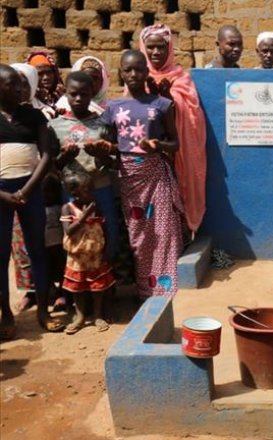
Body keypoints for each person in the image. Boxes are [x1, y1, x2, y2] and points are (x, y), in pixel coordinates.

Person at [101, 50, 183, 298]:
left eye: (139, 69)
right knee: (140, 235)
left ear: (147, 72)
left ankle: (167, 290)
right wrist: (107, 149)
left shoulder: (162, 104)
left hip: (156, 174)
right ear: (121, 73)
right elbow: (111, 146)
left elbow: (175, 143)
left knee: (164, 233)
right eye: (128, 70)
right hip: (129, 178)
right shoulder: (113, 107)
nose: (134, 74)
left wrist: (157, 145)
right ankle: (146, 291)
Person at [1, 64, 65, 337]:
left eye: (20, 83)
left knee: (37, 250)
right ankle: (6, 315)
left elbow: (47, 155)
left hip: (30, 189)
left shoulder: (34, 116)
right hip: (1, 194)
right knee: (1, 255)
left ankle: (42, 311)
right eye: (11, 84)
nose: (19, 88)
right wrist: (5, 195)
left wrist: (26, 191)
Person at [140, 23, 208, 235]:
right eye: (150, 47)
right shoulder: (137, 77)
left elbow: (192, 114)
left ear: (169, 49)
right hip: (147, 153)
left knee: (175, 197)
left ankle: (181, 241)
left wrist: (169, 98)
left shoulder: (181, 78)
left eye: (161, 47)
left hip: (176, 150)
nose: (156, 52)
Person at [52, 71, 119, 262]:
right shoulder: (55, 125)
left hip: (101, 187)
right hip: (70, 191)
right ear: (66, 93)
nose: (79, 98)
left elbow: (114, 162)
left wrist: (101, 155)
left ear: (92, 94)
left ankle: (106, 282)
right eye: (74, 94)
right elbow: (53, 165)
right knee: (75, 235)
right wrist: (65, 157)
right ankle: (78, 285)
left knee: (107, 230)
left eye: (84, 94)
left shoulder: (103, 124)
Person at [60, 171, 115, 334]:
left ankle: (98, 314)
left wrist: (105, 248)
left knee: (97, 286)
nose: (91, 193)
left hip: (95, 255)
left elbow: (102, 228)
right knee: (78, 288)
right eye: (86, 190)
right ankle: (80, 315)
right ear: (74, 193)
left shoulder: (95, 205)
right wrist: (82, 217)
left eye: (92, 189)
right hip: (77, 257)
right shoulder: (67, 208)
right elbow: (69, 231)